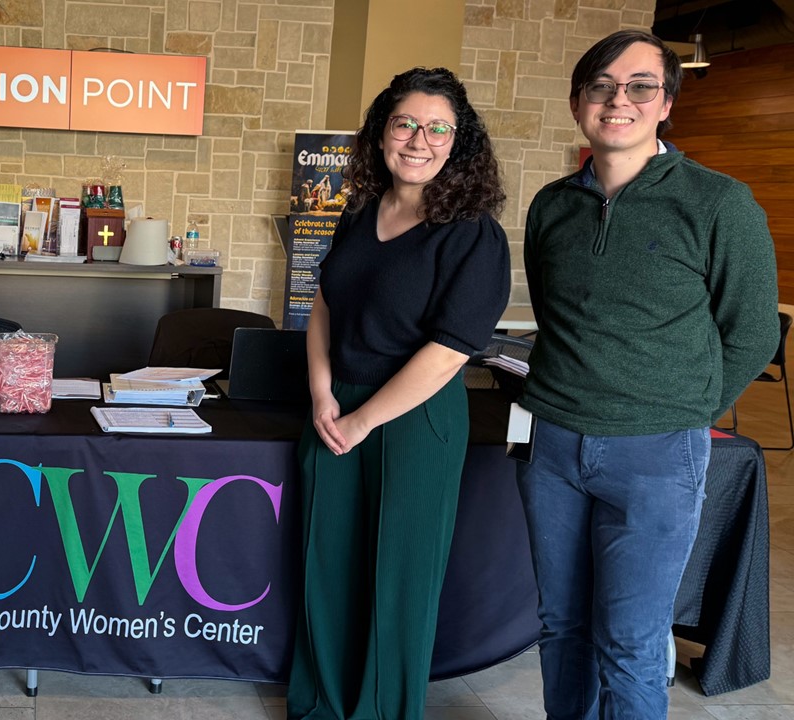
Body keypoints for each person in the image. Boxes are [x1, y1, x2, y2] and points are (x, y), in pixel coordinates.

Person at [518, 30, 778, 718]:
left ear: (666, 104)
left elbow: (753, 332)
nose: (618, 101)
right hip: (554, 446)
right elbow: (556, 312)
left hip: (658, 454)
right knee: (561, 627)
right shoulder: (551, 205)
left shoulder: (720, 203)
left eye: (640, 87)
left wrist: (683, 407)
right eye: (601, 86)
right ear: (578, 102)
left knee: (630, 644)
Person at [289, 67, 510, 719]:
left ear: (459, 142)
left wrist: (364, 421)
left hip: (415, 417)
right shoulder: (360, 211)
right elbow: (325, 303)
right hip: (335, 408)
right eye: (405, 123)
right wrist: (323, 392)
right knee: (328, 565)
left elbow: (449, 352)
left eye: (438, 128)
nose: (419, 140)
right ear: (381, 131)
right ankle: (323, 706)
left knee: (398, 580)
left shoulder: (472, 232)